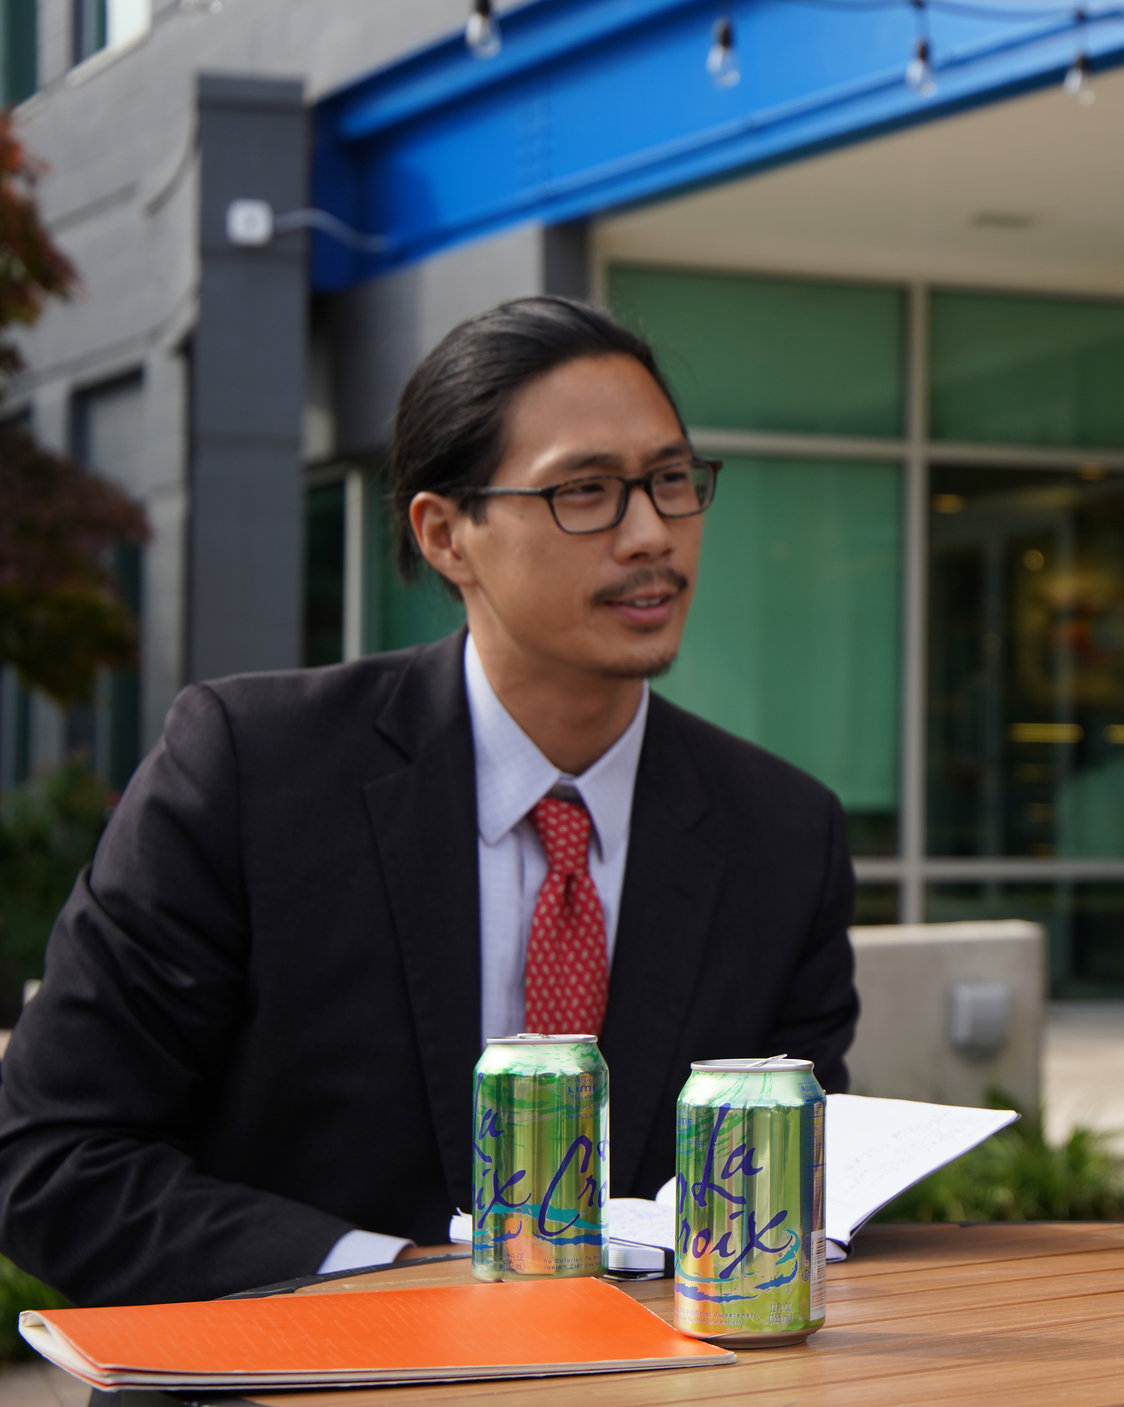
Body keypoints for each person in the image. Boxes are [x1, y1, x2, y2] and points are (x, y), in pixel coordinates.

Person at [0, 297, 861, 1306]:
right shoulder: (250, 772)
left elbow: (797, 1183)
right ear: (447, 535)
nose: (650, 533)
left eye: (671, 482)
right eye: (584, 491)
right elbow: (53, 1157)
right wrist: (402, 1285)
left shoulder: (782, 833)